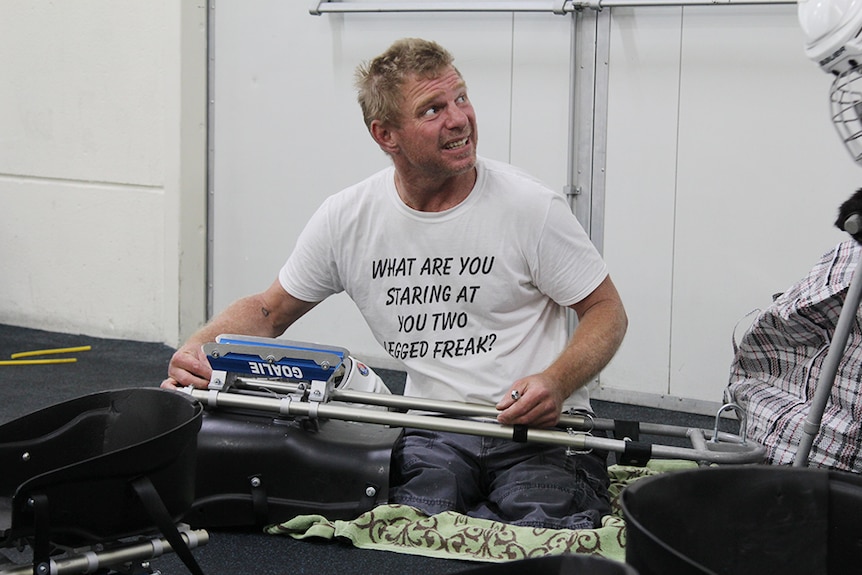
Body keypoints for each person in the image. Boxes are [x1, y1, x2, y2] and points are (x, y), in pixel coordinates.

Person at [163, 38, 628, 530]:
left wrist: (556, 383)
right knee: (408, 530)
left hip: (544, 435)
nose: (460, 119)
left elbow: (607, 310)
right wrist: (195, 351)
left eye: (461, 98)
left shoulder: (531, 208)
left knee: (541, 531)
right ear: (386, 135)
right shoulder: (348, 217)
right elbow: (268, 311)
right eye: (433, 109)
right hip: (435, 429)